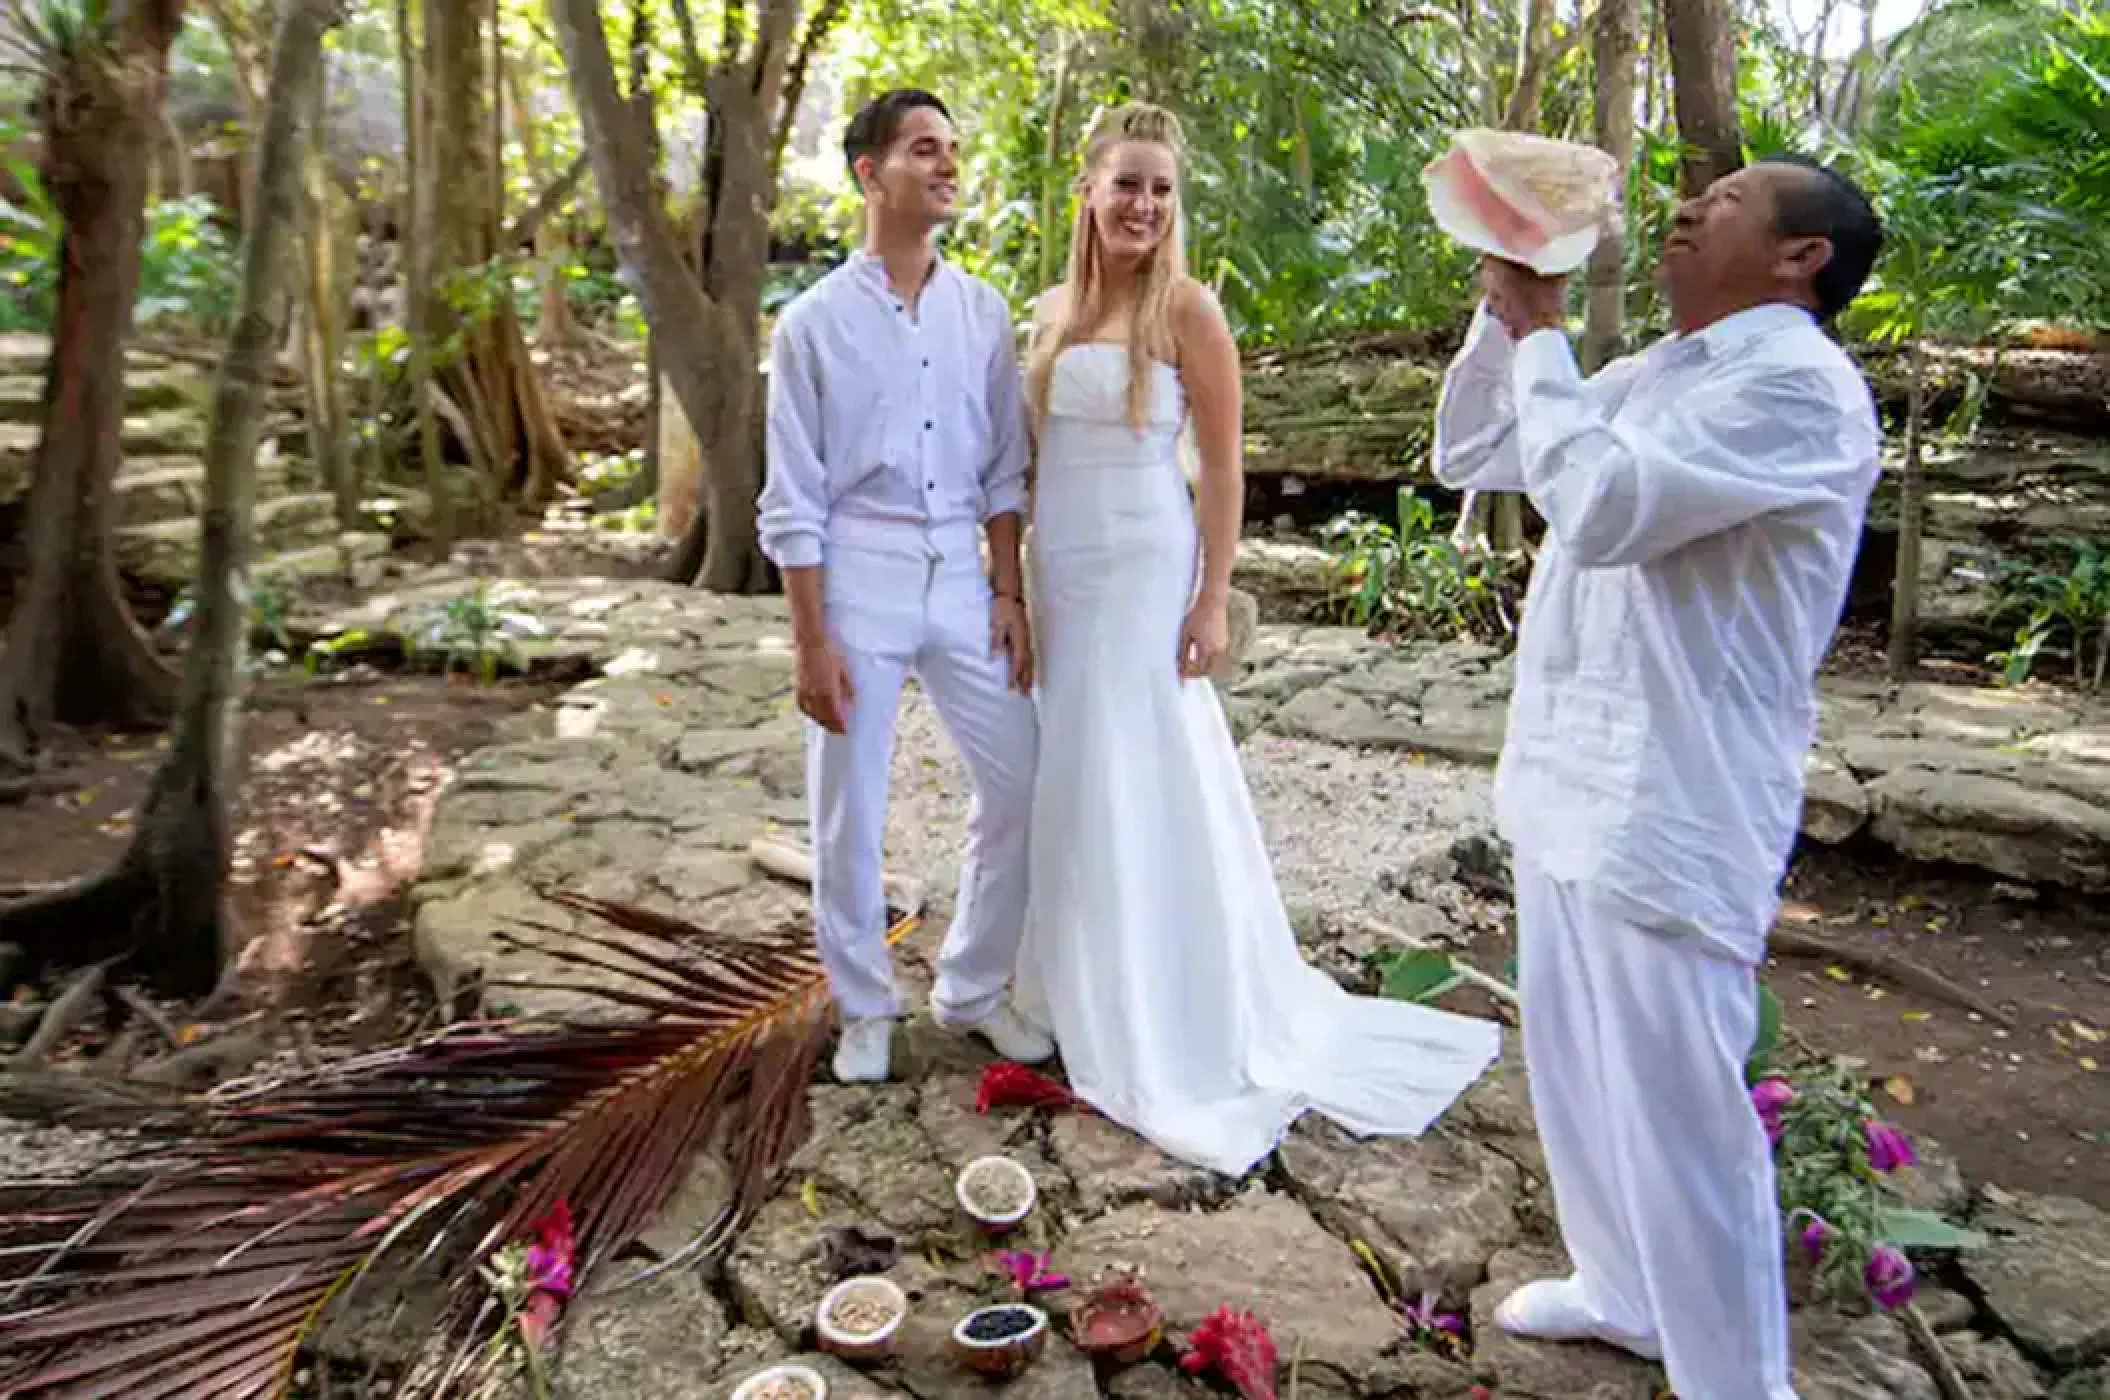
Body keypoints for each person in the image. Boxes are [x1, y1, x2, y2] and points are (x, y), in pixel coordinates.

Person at [1433, 156, 1885, 1398]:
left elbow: (1603, 507)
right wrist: (1506, 308)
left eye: (1729, 201)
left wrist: (1540, 335)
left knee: (1685, 1110)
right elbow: (1480, 443)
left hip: (1675, 794)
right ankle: (1623, 1288)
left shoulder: (1801, 390)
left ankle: (1741, 1381)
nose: (1689, 207)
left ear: (1801, 258)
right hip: (1573, 774)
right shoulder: (1664, 371)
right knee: (1577, 1062)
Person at [1012, 101, 1503, 1180]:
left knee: (1140, 763)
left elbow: (1225, 468)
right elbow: (1029, 466)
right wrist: (1010, 586)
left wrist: (1208, 596)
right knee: (1070, 765)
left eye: (1161, 188)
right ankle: (1067, 977)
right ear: (1086, 192)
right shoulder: (1046, 312)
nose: (1143, 204)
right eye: (1126, 183)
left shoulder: (1188, 310)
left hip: (1145, 566)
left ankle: (1167, 999)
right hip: (1064, 567)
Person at [758, 89, 1054, 1084]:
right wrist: (811, 640)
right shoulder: (809, 326)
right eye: (924, 149)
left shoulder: (982, 313)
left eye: (952, 150)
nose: (946, 165)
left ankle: (970, 987)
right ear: (868, 173)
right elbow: (792, 497)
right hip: (858, 575)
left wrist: (1007, 593)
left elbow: (1006, 468)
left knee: (1024, 775)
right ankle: (864, 1005)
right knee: (851, 804)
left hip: (960, 578)